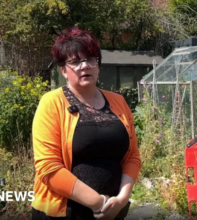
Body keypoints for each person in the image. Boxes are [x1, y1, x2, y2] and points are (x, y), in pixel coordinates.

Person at [31, 29, 141, 220]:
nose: (85, 66)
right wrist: (99, 203)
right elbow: (48, 167)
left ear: (98, 65)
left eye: (91, 59)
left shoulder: (118, 102)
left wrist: (122, 199)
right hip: (65, 213)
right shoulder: (52, 103)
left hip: (113, 212)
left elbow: (132, 156)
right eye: (75, 62)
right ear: (64, 70)